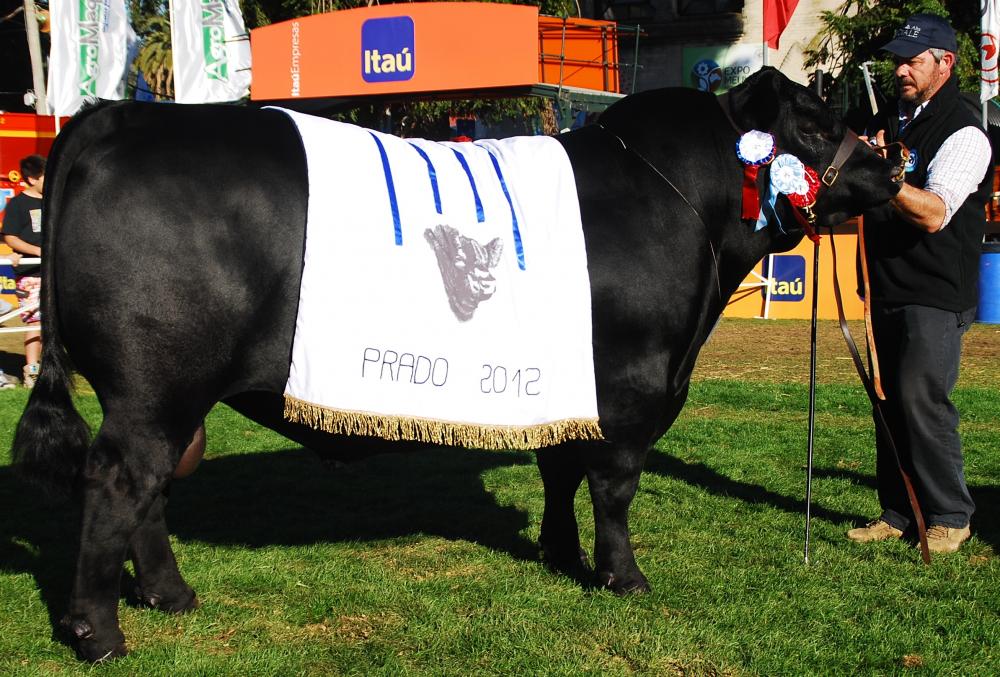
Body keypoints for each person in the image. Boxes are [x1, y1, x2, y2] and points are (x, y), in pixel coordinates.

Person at [847, 14, 992, 553]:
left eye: (913, 60)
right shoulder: (890, 118)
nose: (901, 70)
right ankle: (899, 510)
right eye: (897, 61)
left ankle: (951, 514)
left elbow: (933, 213)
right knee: (886, 400)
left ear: (945, 63)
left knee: (920, 398)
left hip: (934, 291)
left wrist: (880, 175)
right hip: (884, 285)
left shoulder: (964, 131)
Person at [1, 155, 45, 388]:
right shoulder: (17, 205)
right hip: (30, 273)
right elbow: (10, 237)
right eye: (45, 176)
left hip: (52, 271)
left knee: (53, 323)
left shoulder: (52, 202)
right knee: (36, 322)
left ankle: (49, 366)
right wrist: (36, 251)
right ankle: (32, 371)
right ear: (31, 178)